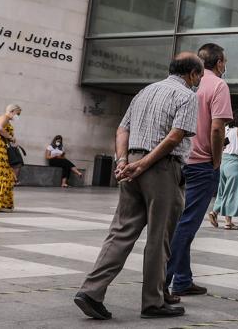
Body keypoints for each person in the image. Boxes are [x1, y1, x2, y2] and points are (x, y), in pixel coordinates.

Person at [73, 53, 202, 321]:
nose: (199, 81)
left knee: (121, 231)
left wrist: (124, 161)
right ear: (192, 74)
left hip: (131, 162)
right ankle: (153, 302)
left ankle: (91, 291)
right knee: (159, 237)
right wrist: (143, 164)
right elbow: (175, 137)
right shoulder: (187, 96)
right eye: (199, 76)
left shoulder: (145, 91)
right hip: (162, 168)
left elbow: (122, 130)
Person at [166, 43, 233, 298]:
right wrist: (216, 161)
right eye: (224, 62)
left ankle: (182, 279)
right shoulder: (218, 86)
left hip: (177, 161)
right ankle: (162, 282)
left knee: (180, 222)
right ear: (218, 63)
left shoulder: (185, 83)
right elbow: (217, 129)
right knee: (186, 225)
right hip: (202, 164)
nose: (225, 66)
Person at [209, 109, 238, 230]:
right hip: (234, 163)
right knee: (232, 192)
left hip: (223, 162)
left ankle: (214, 212)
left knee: (223, 190)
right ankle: (228, 222)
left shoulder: (226, 129)